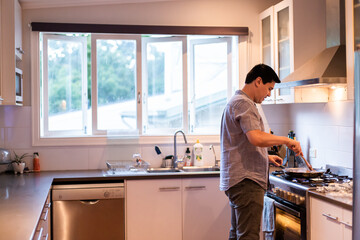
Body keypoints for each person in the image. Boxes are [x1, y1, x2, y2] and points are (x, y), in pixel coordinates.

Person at [220, 64, 303, 240]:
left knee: (237, 234)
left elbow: (243, 141)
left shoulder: (236, 101)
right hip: (246, 181)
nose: (268, 94)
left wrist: (266, 156)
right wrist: (287, 140)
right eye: (269, 88)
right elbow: (256, 137)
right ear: (258, 81)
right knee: (248, 236)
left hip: (237, 180)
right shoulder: (244, 103)